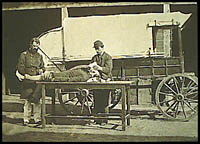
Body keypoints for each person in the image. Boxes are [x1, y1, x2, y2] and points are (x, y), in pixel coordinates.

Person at [16, 37, 45, 126]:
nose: (35, 48)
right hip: (27, 79)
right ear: (30, 45)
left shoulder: (40, 56)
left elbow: (43, 67)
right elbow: (20, 67)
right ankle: (26, 119)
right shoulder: (24, 55)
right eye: (33, 46)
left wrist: (41, 70)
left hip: (36, 79)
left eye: (37, 46)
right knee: (28, 100)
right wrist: (26, 75)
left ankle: (37, 119)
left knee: (37, 100)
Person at [90, 40, 113, 125]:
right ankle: (97, 120)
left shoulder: (108, 57)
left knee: (104, 101)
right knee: (96, 100)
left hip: (105, 80)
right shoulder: (94, 58)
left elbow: (108, 70)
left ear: (103, 48)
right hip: (97, 80)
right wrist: (92, 70)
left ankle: (104, 120)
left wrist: (99, 68)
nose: (96, 51)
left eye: (98, 49)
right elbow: (90, 67)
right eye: (95, 49)